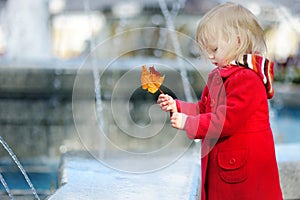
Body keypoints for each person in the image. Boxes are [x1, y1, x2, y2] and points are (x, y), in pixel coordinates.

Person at [157, 2, 283, 200]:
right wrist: (178, 106)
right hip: (229, 168)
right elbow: (204, 108)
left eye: (214, 49)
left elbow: (226, 120)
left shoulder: (247, 79)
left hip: (244, 174)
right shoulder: (220, 76)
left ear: (238, 41)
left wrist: (188, 123)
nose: (209, 56)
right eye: (206, 50)